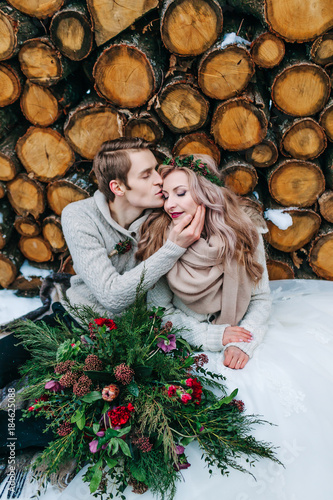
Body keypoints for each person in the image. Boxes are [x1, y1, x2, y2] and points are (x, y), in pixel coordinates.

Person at [0, 138, 205, 388]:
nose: (159, 180)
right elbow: (111, 296)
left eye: (156, 168)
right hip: (73, 319)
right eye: (146, 175)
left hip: (122, 344)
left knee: (36, 413)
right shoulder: (80, 215)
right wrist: (173, 249)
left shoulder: (167, 214)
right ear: (118, 187)